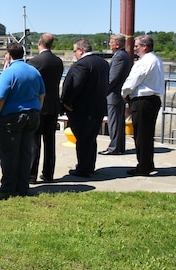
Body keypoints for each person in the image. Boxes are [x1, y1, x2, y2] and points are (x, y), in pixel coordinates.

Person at [0, 42, 45, 196]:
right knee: (25, 151)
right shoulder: (34, 71)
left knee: (8, 152)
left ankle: (8, 186)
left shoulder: (9, 72)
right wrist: (37, 109)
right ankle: (23, 185)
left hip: (12, 117)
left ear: (8, 55)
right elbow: (42, 94)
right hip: (32, 114)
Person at [60, 38, 110, 177]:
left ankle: (83, 168)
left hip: (82, 109)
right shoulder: (103, 63)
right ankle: (89, 166)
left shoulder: (82, 65)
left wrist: (66, 102)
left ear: (81, 50)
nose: (74, 53)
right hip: (98, 107)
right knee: (91, 139)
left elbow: (74, 86)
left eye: (75, 50)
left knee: (82, 140)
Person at [121, 35, 165, 176]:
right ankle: (148, 163)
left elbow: (132, 82)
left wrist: (124, 94)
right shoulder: (157, 60)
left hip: (143, 101)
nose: (135, 49)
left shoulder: (144, 62)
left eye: (137, 46)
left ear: (144, 46)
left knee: (141, 136)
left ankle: (143, 167)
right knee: (147, 135)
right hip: (154, 100)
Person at [27, 33, 64, 183]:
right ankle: (48, 173)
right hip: (53, 105)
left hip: (38, 105)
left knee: (34, 142)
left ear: (40, 43)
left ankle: (31, 174)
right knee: (50, 142)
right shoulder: (58, 62)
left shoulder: (34, 62)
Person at [100, 34, 133, 156]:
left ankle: (114, 147)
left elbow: (112, 79)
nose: (109, 44)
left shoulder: (119, 57)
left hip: (114, 95)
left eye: (111, 42)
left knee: (114, 122)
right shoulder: (124, 55)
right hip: (118, 95)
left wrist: (102, 90)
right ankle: (119, 146)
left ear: (117, 44)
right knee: (118, 122)